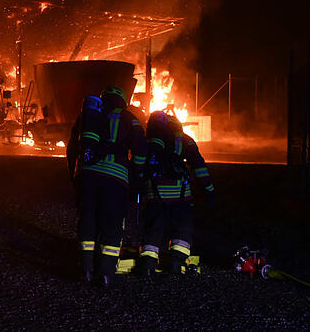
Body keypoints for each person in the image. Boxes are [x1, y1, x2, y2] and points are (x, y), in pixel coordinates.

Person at [67, 85, 146, 287]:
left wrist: (75, 175)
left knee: (88, 221)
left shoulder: (88, 115)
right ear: (122, 100)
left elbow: (72, 148)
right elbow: (139, 155)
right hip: (116, 179)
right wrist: (136, 181)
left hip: (88, 177)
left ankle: (85, 268)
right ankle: (107, 273)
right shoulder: (130, 119)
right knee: (112, 225)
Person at [139, 111, 216, 276]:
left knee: (153, 229)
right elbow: (199, 167)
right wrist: (209, 190)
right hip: (181, 197)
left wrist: (135, 188)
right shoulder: (185, 140)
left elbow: (139, 166)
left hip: (155, 195)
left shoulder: (148, 141)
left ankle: (148, 264)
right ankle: (177, 263)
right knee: (182, 230)